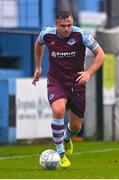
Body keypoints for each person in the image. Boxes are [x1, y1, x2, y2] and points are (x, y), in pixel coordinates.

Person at [32, 10, 105, 168]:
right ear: (56, 24)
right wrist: (38, 67)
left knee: (76, 126)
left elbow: (100, 55)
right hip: (56, 80)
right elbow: (38, 44)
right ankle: (60, 154)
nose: (67, 29)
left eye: (69, 25)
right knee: (58, 110)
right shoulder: (47, 34)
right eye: (63, 26)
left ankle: (66, 138)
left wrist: (89, 72)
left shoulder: (81, 35)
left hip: (77, 83)